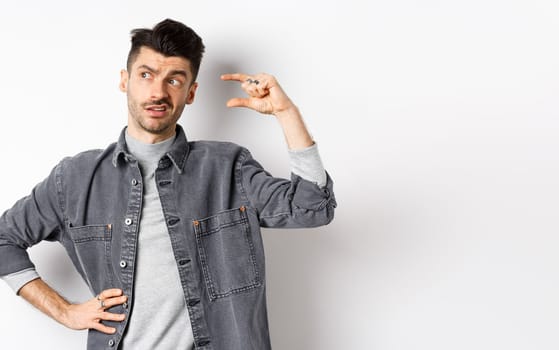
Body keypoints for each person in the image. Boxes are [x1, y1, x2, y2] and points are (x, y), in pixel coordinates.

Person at [0, 18, 336, 350]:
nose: (158, 92)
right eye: (146, 75)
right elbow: (4, 239)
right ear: (124, 81)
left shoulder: (228, 168)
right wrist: (64, 311)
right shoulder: (75, 178)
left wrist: (286, 113)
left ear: (191, 93)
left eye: (174, 81)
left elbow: (312, 209)